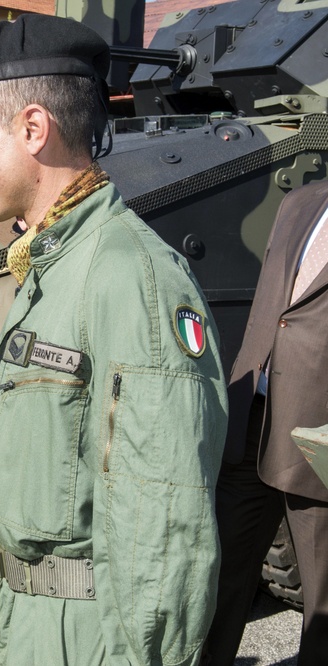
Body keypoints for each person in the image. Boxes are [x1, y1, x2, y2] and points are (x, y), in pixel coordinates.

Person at [0, 15, 229, 664]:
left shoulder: (129, 278)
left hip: (84, 638)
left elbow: (163, 542)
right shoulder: (41, 269)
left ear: (33, 129)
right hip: (16, 620)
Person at [204, 180, 328, 665]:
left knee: (322, 607)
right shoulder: (301, 200)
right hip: (254, 418)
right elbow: (271, 310)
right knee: (217, 578)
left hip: (320, 439)